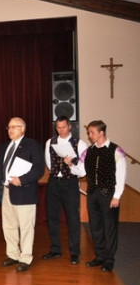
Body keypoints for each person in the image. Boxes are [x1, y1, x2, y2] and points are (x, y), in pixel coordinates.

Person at [0, 117, 45, 272]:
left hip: (24, 191)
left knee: (26, 227)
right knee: (9, 225)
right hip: (6, 191)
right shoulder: (4, 147)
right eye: (8, 127)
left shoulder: (32, 145)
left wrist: (21, 179)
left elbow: (39, 169)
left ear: (23, 129)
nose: (10, 129)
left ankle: (26, 257)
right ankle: (13, 254)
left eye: (14, 126)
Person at [81, 120, 127, 272]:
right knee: (96, 226)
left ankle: (109, 259)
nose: (89, 135)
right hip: (93, 194)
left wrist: (117, 196)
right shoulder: (88, 151)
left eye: (92, 132)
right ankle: (100, 256)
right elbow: (81, 171)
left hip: (109, 194)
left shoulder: (116, 150)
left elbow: (121, 174)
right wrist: (70, 165)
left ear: (101, 133)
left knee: (109, 227)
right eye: (89, 132)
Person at [42, 116, 87, 265]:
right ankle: (55, 249)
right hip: (54, 182)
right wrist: (57, 171)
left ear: (70, 127)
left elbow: (83, 171)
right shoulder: (50, 142)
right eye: (58, 128)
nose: (61, 130)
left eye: (63, 127)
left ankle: (74, 252)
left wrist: (70, 166)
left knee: (73, 218)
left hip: (70, 182)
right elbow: (49, 163)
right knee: (52, 217)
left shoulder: (80, 144)